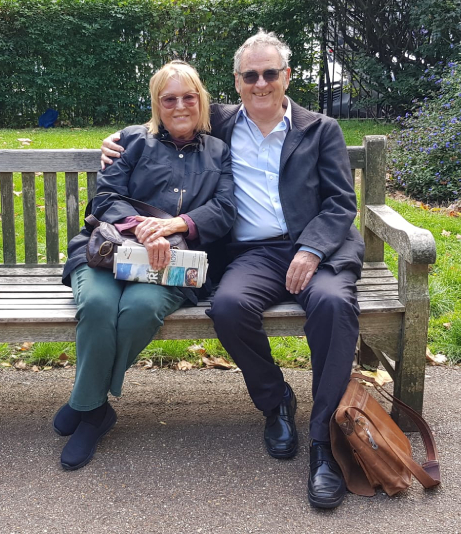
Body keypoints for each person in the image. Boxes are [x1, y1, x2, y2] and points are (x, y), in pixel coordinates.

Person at [100, 31, 364, 509]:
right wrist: (118, 141)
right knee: (228, 306)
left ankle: (326, 444)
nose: (260, 83)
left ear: (287, 76)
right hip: (255, 253)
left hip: (314, 250)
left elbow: (342, 203)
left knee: (331, 305)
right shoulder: (219, 121)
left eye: (270, 73)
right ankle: (275, 400)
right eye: (250, 75)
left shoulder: (320, 128)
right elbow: (170, 115)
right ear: (238, 82)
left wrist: (312, 250)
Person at [56, 61, 236, 471]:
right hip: (109, 251)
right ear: (156, 104)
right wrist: (141, 229)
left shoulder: (220, 152)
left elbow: (225, 209)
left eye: (188, 97)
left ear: (201, 100)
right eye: (168, 98)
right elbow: (105, 196)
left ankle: (87, 404)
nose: (180, 106)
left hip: (172, 262)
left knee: (137, 309)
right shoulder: (133, 141)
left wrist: (175, 227)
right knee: (99, 306)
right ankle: (95, 410)